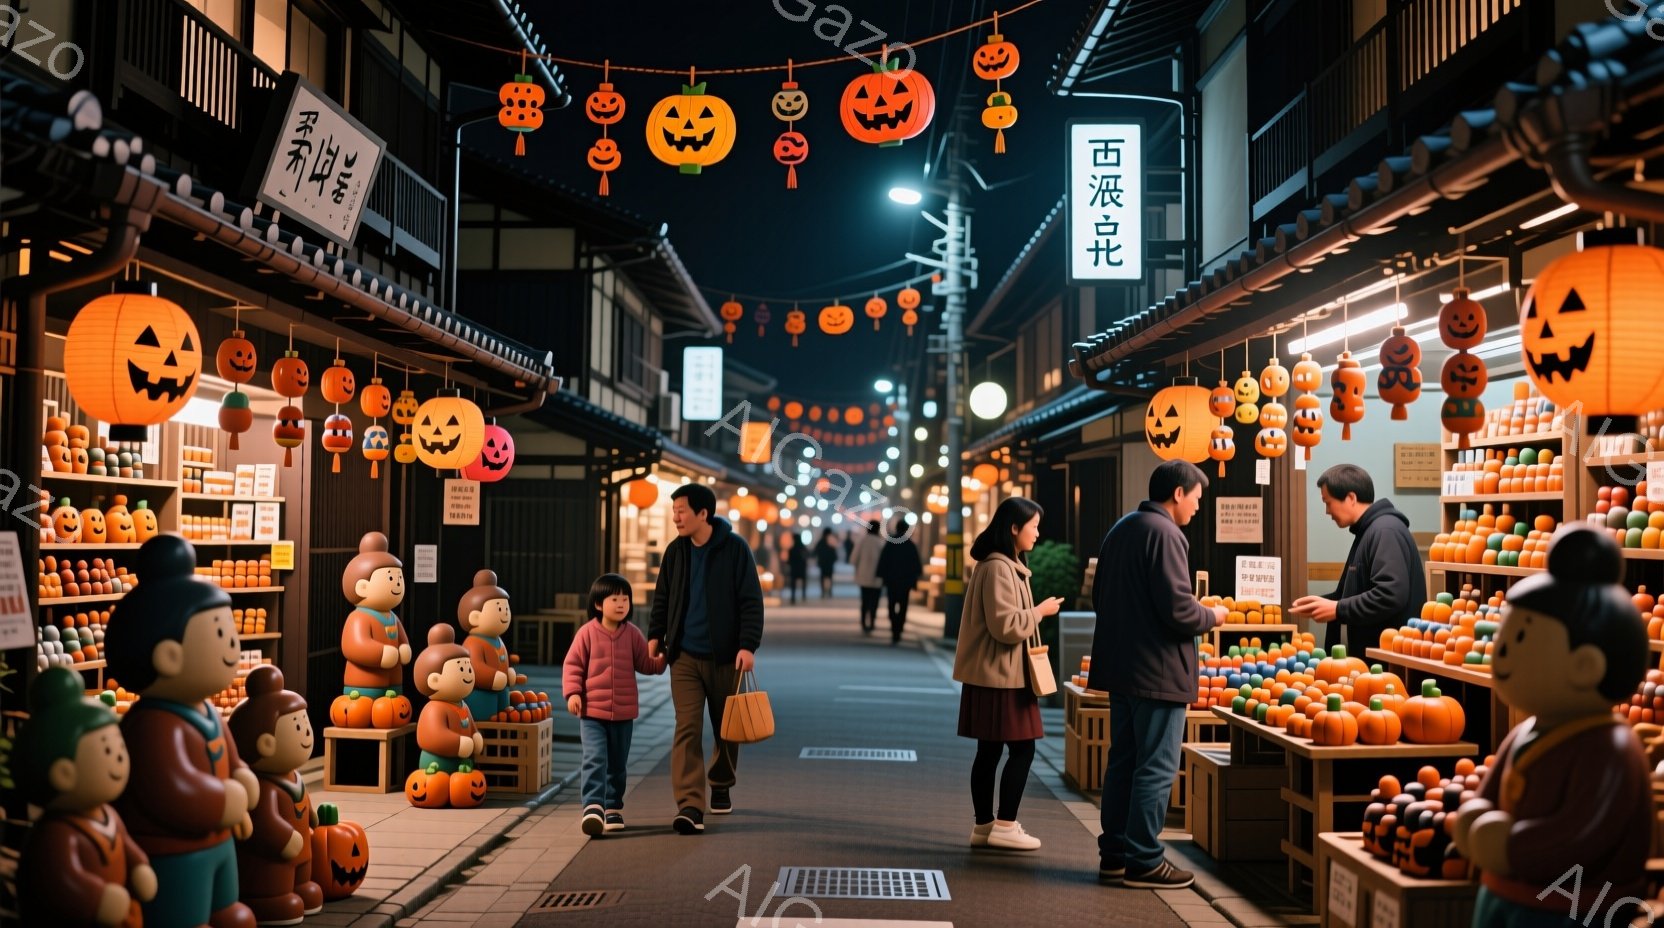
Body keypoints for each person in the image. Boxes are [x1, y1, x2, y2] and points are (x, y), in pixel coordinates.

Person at [1452, 525, 1651, 928]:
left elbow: (1583, 833)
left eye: (1516, 642)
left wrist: (1512, 847)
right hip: (1503, 893)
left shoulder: (1609, 748)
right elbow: (1492, 789)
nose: (1500, 655)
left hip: (1573, 909)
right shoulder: (1526, 732)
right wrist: (1475, 811)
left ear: (1585, 666)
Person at [1091, 460, 1226, 890]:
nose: (1197, 508)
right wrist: (1214, 614)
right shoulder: (1167, 533)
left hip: (1121, 667)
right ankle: (1145, 860)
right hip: (1159, 671)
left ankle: (1114, 854)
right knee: (1156, 767)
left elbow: (1098, 596)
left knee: (1124, 762)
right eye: (1197, 499)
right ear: (1179, 493)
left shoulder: (1122, 527)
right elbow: (1180, 610)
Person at [648, 483, 765, 835]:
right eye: (674, 511)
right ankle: (689, 805)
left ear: (703, 513)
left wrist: (748, 645)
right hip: (683, 656)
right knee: (687, 727)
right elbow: (663, 596)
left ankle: (721, 782)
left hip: (726, 657)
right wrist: (656, 634)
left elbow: (750, 601)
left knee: (726, 727)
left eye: (682, 510)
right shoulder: (676, 551)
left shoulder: (735, 550)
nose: (676, 517)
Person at [952, 497, 1066, 852]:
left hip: (992, 674)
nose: (1037, 533)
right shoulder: (1000, 568)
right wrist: (1040, 611)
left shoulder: (997, 564)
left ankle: (985, 827)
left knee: (988, 752)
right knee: (1023, 750)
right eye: (1032, 526)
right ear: (1014, 528)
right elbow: (1005, 626)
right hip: (1004, 676)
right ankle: (1005, 824)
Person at [565, 573, 667, 837]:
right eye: (615, 599)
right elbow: (573, 665)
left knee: (618, 764)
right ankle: (593, 806)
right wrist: (573, 693)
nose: (622, 604)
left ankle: (613, 807)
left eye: (626, 599)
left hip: (623, 714)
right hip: (592, 713)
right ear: (599, 604)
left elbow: (646, 663)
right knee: (595, 758)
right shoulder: (586, 633)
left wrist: (663, 657)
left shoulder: (632, 634)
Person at [1290, 463, 1426, 650]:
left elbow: (1390, 594)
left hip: (1386, 664)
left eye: (1328, 503)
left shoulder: (1385, 530)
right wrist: (1322, 603)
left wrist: (1337, 609)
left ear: (1351, 498)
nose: (1327, 512)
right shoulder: (1368, 530)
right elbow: (1355, 593)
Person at [876, 516, 924, 644]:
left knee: (891, 604)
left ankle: (894, 626)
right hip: (905, 581)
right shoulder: (910, 545)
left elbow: (883, 560)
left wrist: (881, 575)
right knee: (903, 605)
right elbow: (916, 564)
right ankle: (899, 626)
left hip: (891, 580)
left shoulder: (890, 543)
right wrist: (916, 577)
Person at [851, 519, 885, 634]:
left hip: (864, 576)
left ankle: (863, 622)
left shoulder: (862, 541)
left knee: (865, 600)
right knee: (874, 601)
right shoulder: (881, 543)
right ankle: (872, 622)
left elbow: (853, 559)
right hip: (877, 577)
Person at [814, 529, 840, 598]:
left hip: (822, 563)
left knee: (823, 577)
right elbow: (834, 552)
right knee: (829, 577)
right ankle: (829, 591)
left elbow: (816, 551)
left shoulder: (820, 542)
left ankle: (823, 591)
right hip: (829, 563)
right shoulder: (831, 541)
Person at [787, 534, 809, 604]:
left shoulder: (792, 549)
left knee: (793, 583)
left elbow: (789, 560)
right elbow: (807, 556)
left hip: (794, 568)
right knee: (803, 581)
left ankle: (793, 597)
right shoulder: (803, 548)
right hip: (802, 568)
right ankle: (803, 595)